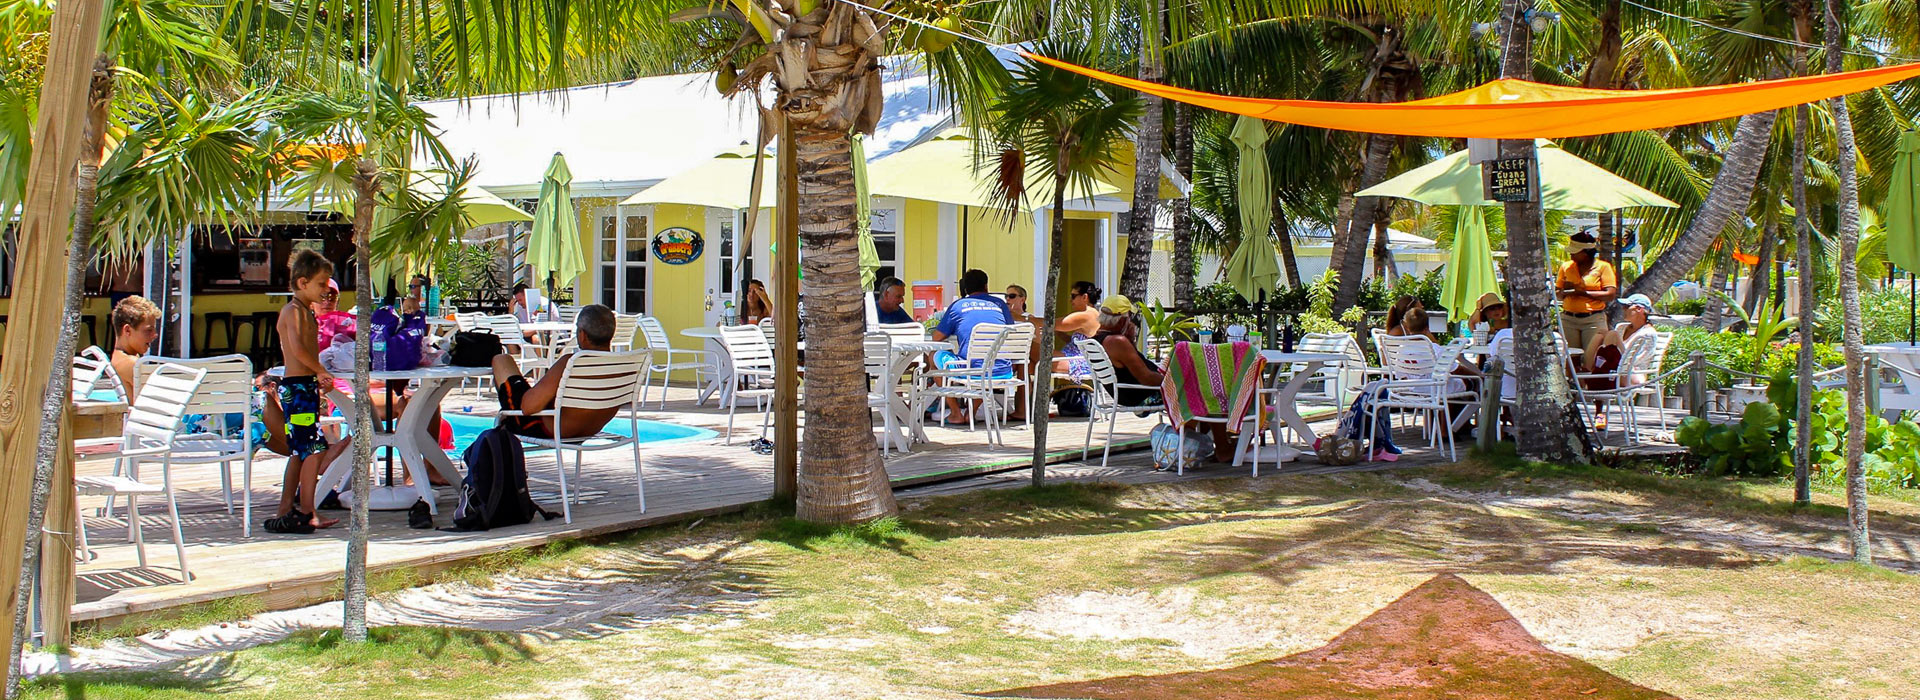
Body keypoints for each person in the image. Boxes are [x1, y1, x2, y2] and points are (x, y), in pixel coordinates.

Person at [265, 250, 343, 534]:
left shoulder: (304, 311)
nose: (326, 289)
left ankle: (286, 508)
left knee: (300, 451)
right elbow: (297, 349)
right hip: (297, 390)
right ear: (302, 282)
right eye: (321, 284)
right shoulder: (293, 312)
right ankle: (309, 511)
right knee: (311, 450)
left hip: (304, 388)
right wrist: (320, 370)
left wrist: (317, 375)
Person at [491, 304, 624, 439]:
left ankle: (504, 429)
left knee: (501, 360)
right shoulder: (622, 366)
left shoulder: (571, 363)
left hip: (548, 429)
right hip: (590, 429)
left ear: (582, 335)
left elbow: (528, 407)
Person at [930, 269, 1013, 424]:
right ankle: (971, 412)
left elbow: (937, 338)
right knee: (988, 362)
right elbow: (1010, 330)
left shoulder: (958, 306)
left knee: (934, 355)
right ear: (986, 286)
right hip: (1003, 369)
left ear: (965, 289)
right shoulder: (999, 304)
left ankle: (955, 412)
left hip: (972, 369)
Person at [1582, 293, 1660, 430]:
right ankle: (1591, 373)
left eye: (1626, 307)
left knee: (1611, 335)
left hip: (1633, 374)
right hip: (1613, 370)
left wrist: (1617, 341)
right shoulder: (1622, 327)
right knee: (1601, 333)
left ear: (1639, 309)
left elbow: (1633, 361)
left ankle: (1589, 376)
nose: (1623, 309)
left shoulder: (1648, 333)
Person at [1557, 231, 1618, 354]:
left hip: (1593, 319)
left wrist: (1582, 293)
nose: (1571, 255)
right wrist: (1565, 291)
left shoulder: (1603, 267)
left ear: (1585, 253)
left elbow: (1610, 294)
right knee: (1570, 358)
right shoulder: (1566, 267)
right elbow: (1558, 294)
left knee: (1592, 356)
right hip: (1568, 319)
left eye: (1574, 252)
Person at [108, 295, 162, 400]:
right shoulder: (132, 364)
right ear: (127, 330)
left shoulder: (119, 358)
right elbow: (161, 398)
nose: (155, 335)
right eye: (149, 330)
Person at [313, 279, 355, 352]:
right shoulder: (304, 326)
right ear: (310, 303)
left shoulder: (347, 324)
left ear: (337, 301)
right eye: (321, 297)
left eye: (332, 297)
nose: (327, 302)